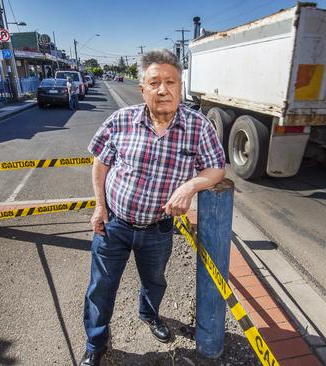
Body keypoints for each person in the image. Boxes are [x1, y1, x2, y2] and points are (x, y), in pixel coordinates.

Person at [81, 49, 226, 366]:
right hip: (113, 224)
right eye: (155, 82)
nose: (163, 89)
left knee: (155, 281)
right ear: (142, 88)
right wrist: (99, 207)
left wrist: (190, 186)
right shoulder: (121, 120)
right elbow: (101, 163)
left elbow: (216, 169)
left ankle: (149, 314)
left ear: (181, 85)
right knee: (101, 287)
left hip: (158, 228)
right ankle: (95, 343)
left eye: (171, 82)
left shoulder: (198, 126)